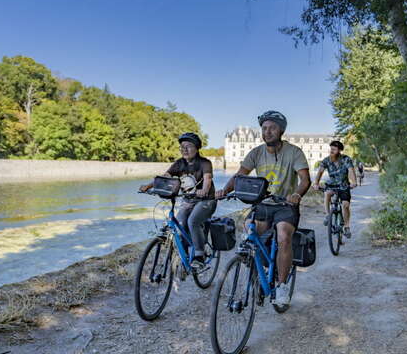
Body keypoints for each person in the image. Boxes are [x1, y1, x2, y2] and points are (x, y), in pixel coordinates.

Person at [216, 110, 310, 305]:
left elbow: (305, 179)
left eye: (272, 128)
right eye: (264, 128)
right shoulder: (256, 152)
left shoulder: (294, 152)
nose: (267, 132)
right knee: (249, 231)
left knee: (283, 236)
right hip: (263, 204)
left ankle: (282, 286)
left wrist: (297, 194)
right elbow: (239, 175)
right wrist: (224, 190)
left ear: (281, 131)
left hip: (285, 205)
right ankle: (260, 269)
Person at [140, 132, 216, 270]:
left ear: (197, 148)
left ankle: (199, 255)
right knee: (180, 224)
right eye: (182, 147)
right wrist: (149, 186)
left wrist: (204, 190)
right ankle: (184, 257)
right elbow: (165, 177)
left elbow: (207, 178)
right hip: (188, 200)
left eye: (189, 146)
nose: (184, 149)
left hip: (206, 200)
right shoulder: (179, 164)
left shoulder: (204, 163)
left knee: (193, 221)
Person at [312, 140, 357, 239]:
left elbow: (351, 171)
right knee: (327, 193)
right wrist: (316, 183)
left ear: (340, 150)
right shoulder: (326, 160)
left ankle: (346, 227)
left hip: (344, 186)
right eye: (331, 149)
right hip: (332, 185)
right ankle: (328, 215)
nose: (331, 151)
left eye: (334, 149)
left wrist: (354, 182)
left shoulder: (346, 159)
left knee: (345, 205)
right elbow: (320, 172)